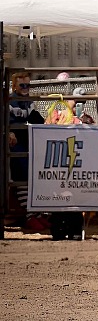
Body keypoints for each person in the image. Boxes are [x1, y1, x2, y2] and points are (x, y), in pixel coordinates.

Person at [45, 86, 95, 240]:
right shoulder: (56, 115)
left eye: (82, 102)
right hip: (59, 160)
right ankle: (58, 228)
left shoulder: (86, 119)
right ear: (66, 101)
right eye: (75, 101)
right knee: (58, 193)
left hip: (77, 161)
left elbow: (95, 139)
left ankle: (74, 229)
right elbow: (45, 131)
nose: (78, 105)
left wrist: (86, 123)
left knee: (75, 194)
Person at [8, 72, 47, 231]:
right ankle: (30, 215)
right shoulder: (10, 101)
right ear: (15, 86)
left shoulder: (29, 102)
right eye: (22, 85)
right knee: (22, 175)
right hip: (15, 143)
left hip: (27, 142)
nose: (25, 88)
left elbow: (37, 119)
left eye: (28, 85)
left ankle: (36, 214)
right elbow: (7, 120)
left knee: (31, 175)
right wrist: (9, 132)